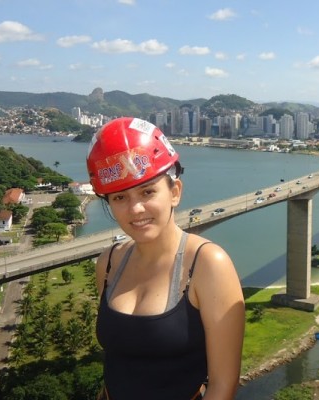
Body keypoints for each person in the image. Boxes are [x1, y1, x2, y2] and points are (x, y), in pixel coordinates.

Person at [86, 117, 245, 400]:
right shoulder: (109, 263)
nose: (135, 208)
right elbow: (116, 364)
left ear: (174, 192)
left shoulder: (208, 264)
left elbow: (223, 385)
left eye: (147, 191)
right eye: (119, 198)